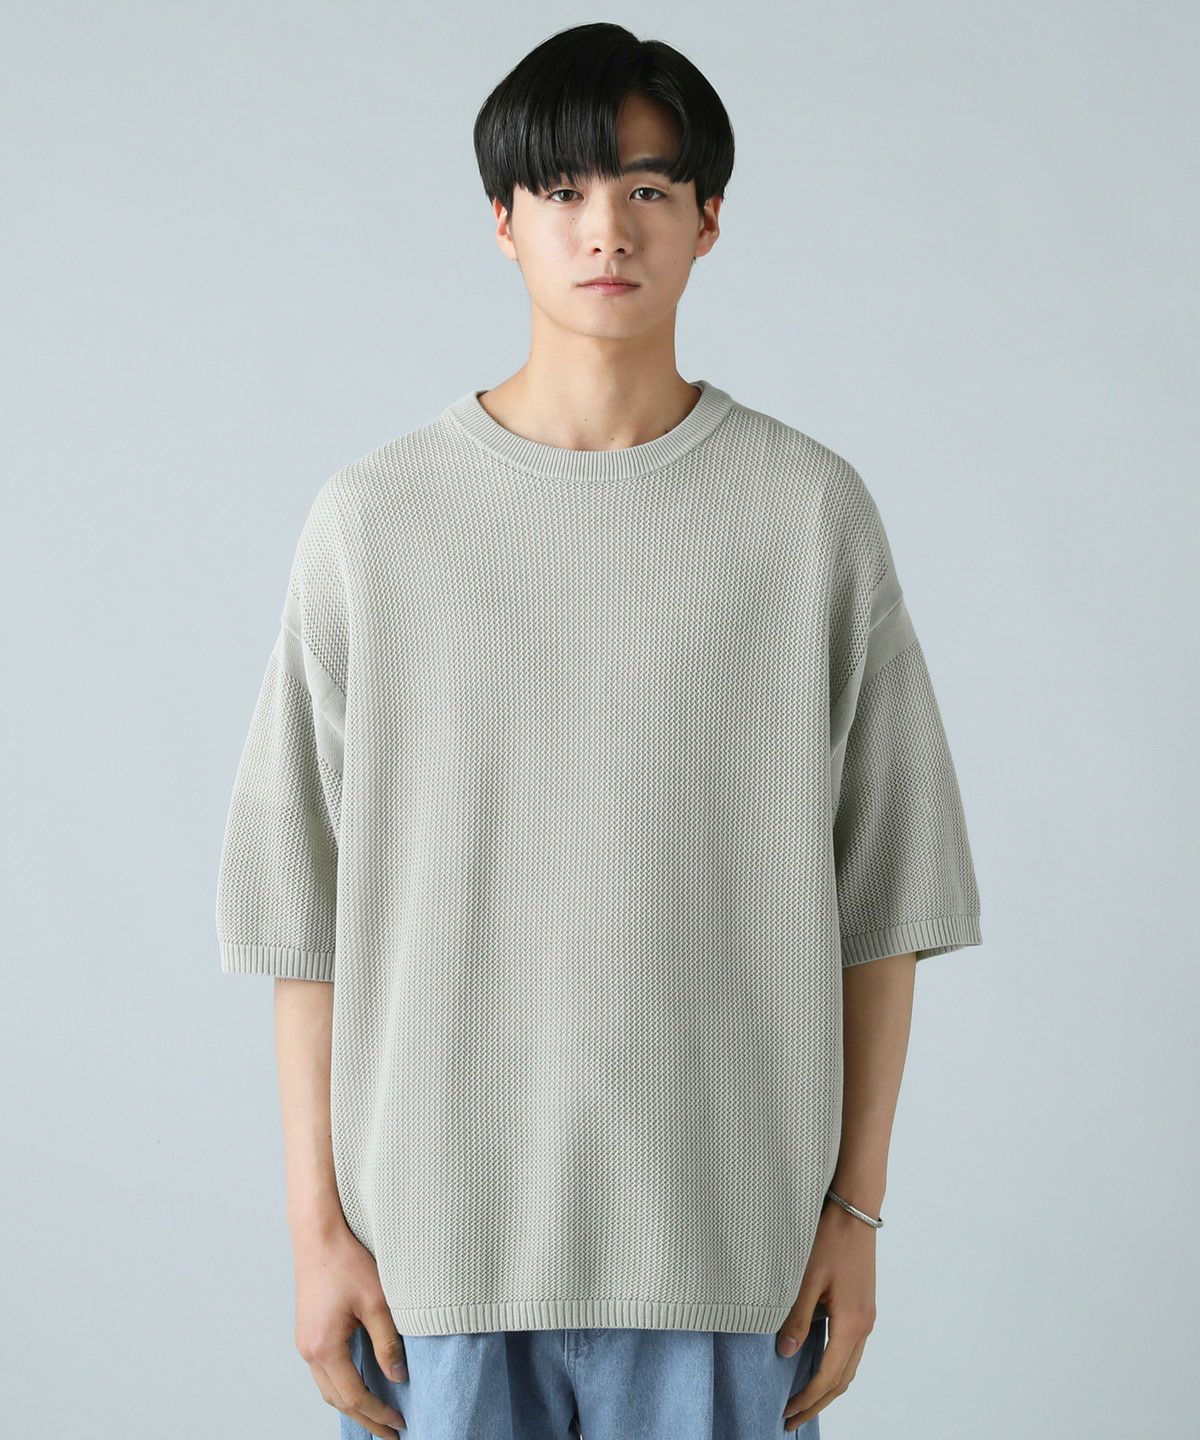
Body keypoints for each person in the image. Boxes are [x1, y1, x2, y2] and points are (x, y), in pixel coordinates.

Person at [214, 21, 982, 1440]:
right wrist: (316, 1233)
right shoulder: (375, 522)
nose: (607, 228)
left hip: (726, 1256)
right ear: (502, 221)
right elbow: (300, 912)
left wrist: (855, 1215)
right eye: (564, 189)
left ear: (708, 221)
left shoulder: (807, 515)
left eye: (647, 188)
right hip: (430, 1265)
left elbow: (887, 892)